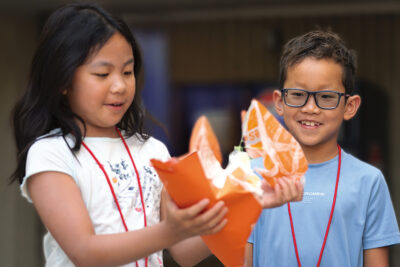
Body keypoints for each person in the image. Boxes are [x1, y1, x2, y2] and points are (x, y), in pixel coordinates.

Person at [10, 3, 302, 267]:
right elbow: (85, 252)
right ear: (63, 80)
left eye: (127, 72)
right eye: (102, 74)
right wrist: (167, 232)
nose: (120, 86)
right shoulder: (50, 153)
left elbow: (183, 252)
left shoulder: (152, 150)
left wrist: (249, 202)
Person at [246, 30, 400, 267]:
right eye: (297, 95)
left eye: (326, 97)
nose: (310, 108)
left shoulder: (368, 181)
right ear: (279, 102)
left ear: (350, 106)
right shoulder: (252, 176)